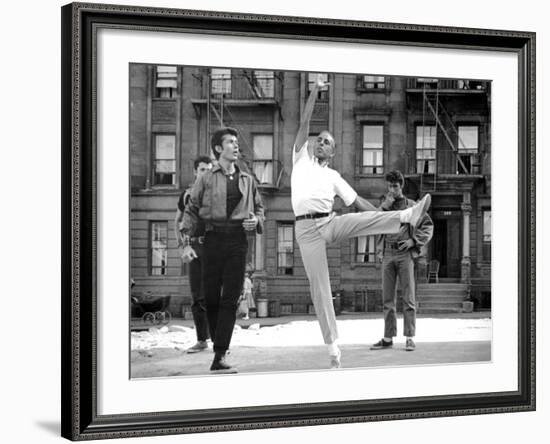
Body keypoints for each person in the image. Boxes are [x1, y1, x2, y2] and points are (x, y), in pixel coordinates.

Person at [291, 74, 431, 369]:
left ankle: (407, 215)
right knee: (321, 287)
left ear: (333, 151)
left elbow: (358, 204)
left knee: (361, 218)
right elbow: (304, 124)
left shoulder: (333, 176)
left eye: (326, 142)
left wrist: (384, 218)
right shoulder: (300, 159)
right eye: (319, 140)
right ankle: (332, 347)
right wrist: (315, 91)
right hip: (306, 231)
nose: (320, 143)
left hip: (328, 223)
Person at [180, 127, 264, 374]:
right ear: (218, 149)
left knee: (230, 298)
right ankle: (219, 342)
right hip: (212, 239)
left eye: (237, 142)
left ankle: (219, 354)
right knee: (211, 298)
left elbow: (260, 209)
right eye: (230, 142)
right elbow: (192, 208)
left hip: (238, 241)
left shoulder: (247, 180)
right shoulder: (205, 178)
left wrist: (256, 222)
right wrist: (185, 242)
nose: (236, 146)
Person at [370, 170, 433, 352]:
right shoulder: (385, 205)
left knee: (408, 297)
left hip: (405, 255)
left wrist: (414, 241)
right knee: (387, 299)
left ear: (401, 186)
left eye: (395, 186)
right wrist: (385, 205)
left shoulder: (412, 206)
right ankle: (388, 338)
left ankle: (410, 338)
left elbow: (428, 226)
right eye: (389, 186)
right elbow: (374, 222)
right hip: (388, 255)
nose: (392, 190)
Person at [174, 155, 213, 353]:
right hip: (195, 249)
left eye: (209, 169)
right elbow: (178, 222)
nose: (206, 173)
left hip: (214, 249)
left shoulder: (218, 194)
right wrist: (183, 246)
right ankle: (201, 340)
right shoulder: (187, 195)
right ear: (196, 172)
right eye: (202, 169)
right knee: (197, 297)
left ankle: (220, 341)